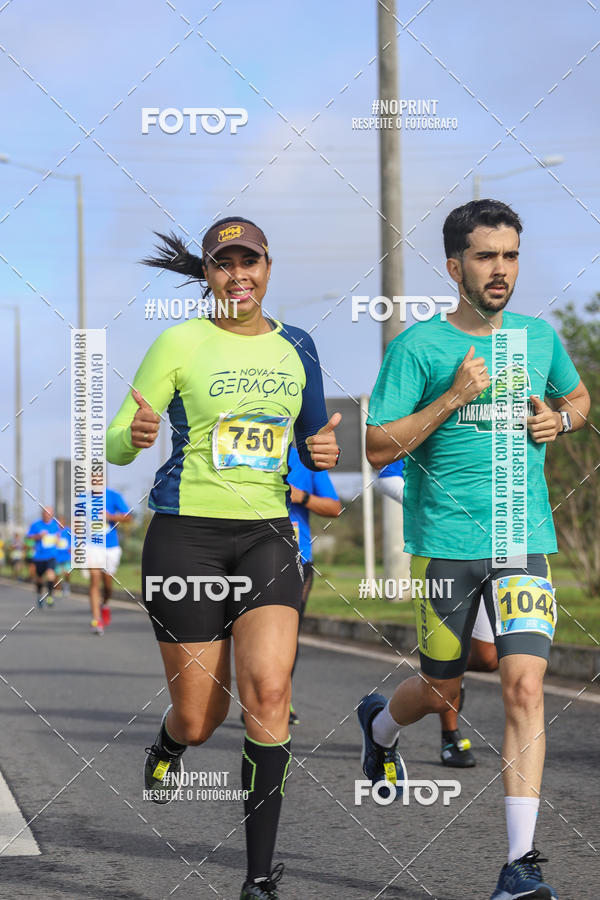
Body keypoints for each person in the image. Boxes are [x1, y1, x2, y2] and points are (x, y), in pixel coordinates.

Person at [357, 199, 590, 900]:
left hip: (523, 540)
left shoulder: (536, 339)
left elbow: (580, 401)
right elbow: (374, 448)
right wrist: (452, 398)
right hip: (447, 545)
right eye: (486, 257)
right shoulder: (420, 348)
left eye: (511, 255)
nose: (500, 270)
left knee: (524, 687)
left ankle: (520, 865)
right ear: (455, 265)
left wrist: (561, 420)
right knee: (441, 689)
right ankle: (380, 724)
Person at [106, 217, 340, 900]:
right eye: (223, 264)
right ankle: (170, 745)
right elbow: (119, 439)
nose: (239, 275)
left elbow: (315, 440)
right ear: (206, 274)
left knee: (269, 692)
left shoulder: (299, 344)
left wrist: (323, 455)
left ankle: (259, 878)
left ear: (269, 266)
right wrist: (134, 432)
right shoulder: (178, 341)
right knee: (201, 718)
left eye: (251, 261)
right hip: (187, 537)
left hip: (267, 534)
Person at [376, 459, 499, 768]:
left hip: (496, 547)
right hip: (443, 547)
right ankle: (450, 737)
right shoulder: (431, 411)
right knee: (450, 665)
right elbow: (386, 476)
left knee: (488, 658)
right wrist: (439, 506)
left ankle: (446, 669)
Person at [286, 444, 341, 724]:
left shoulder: (305, 459)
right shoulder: (243, 450)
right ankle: (253, 699)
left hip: (297, 557)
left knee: (287, 633)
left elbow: (334, 507)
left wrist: (301, 496)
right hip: (247, 556)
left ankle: (281, 699)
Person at [86, 488, 130, 634]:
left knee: (108, 584)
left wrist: (110, 517)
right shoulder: (82, 498)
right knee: (94, 578)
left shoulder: (113, 496)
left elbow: (128, 517)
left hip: (110, 547)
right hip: (92, 546)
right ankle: (96, 620)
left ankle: (104, 604)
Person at [26, 505, 60, 608]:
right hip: (39, 556)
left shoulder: (55, 525)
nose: (47, 515)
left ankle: (50, 596)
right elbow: (29, 537)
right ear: (42, 514)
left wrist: (56, 539)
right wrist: (39, 536)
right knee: (39, 578)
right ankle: (40, 595)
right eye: (45, 513)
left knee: (50, 574)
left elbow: (58, 537)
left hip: (51, 555)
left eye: (49, 513)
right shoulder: (36, 525)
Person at [54, 517, 72, 598]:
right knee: (57, 574)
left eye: (62, 521)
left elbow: (73, 539)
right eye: (59, 522)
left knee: (67, 573)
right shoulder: (54, 531)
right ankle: (57, 590)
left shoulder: (68, 530)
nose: (60, 523)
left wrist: (71, 547)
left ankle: (66, 587)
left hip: (66, 556)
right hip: (57, 556)